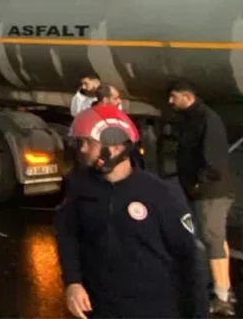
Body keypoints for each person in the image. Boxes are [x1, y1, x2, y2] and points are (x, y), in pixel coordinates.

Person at [55, 104, 209, 318]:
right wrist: (73, 281)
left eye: (88, 142)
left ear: (116, 147)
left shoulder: (161, 195)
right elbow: (67, 235)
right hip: (101, 309)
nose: (81, 149)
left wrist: (198, 315)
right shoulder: (78, 187)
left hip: (154, 310)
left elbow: (189, 260)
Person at [169, 81, 236, 316]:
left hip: (211, 191)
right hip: (205, 190)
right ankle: (224, 287)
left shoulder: (207, 119)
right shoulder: (193, 117)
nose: (170, 101)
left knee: (211, 238)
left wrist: (198, 182)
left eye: (173, 97)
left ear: (187, 97)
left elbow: (214, 160)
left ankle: (222, 298)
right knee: (216, 237)